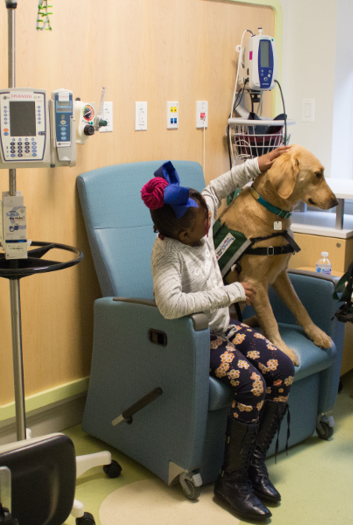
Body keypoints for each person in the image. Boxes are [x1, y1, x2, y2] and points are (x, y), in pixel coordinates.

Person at [141, 147, 294, 521]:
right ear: (181, 233)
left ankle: (254, 463)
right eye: (203, 225)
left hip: (223, 327)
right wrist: (231, 292)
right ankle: (232, 482)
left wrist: (258, 165)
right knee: (253, 384)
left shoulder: (197, 210)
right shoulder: (166, 254)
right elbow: (170, 305)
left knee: (282, 367)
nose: (211, 223)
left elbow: (221, 185)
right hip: (196, 340)